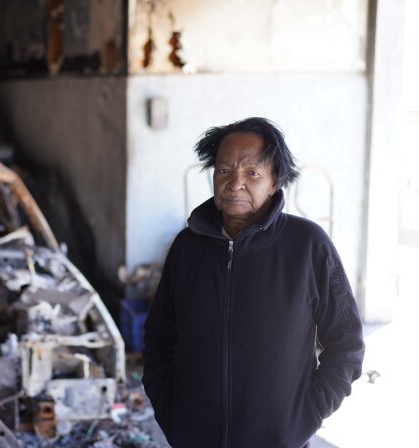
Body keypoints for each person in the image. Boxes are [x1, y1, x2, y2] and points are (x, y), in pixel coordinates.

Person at [142, 117, 365, 448]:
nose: (235, 183)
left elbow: (346, 343)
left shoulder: (307, 244)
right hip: (193, 438)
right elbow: (159, 336)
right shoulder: (188, 246)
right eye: (224, 170)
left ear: (275, 181)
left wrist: (307, 414)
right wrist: (170, 411)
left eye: (252, 173)